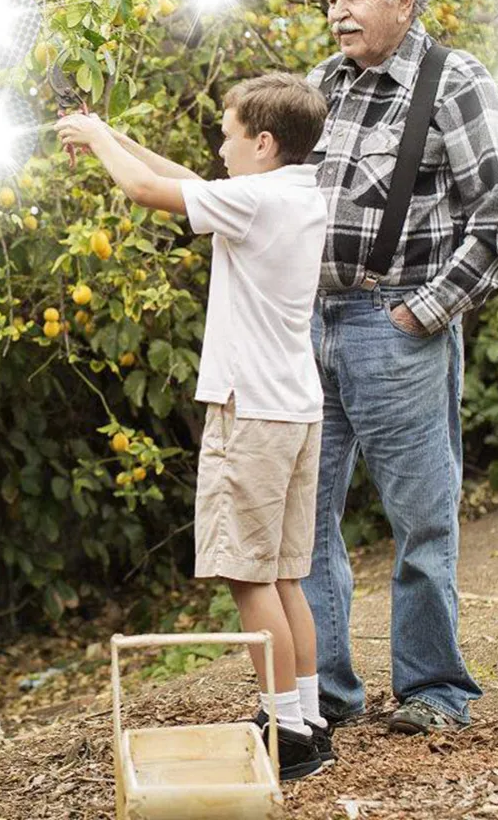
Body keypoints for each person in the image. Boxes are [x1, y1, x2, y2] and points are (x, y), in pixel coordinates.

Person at [55, 73, 334, 780]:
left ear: (263, 143)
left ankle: (285, 731)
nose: (219, 144)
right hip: (296, 408)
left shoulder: (259, 200)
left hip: (252, 412)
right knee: (285, 576)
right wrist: (111, 134)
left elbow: (150, 193)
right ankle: (306, 719)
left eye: (229, 132)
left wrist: (91, 140)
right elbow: (182, 180)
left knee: (246, 577)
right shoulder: (294, 191)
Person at [301, 0, 498, 735]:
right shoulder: (320, 84)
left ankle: (435, 689)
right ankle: (322, 692)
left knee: (421, 517)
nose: (338, 12)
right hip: (309, 325)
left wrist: (419, 312)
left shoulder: (455, 81)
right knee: (307, 516)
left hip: (395, 326)